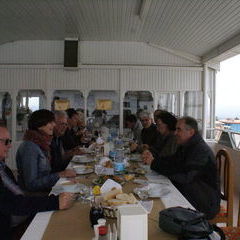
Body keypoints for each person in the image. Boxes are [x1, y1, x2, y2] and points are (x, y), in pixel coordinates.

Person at [0, 123, 75, 239]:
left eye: (9, 141)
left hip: (24, 212)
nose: (10, 146)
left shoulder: (4, 168)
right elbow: (11, 202)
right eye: (6, 142)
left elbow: (16, 199)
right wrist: (54, 202)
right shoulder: (30, 147)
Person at [151, 116, 220, 219]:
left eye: (179, 129)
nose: (175, 133)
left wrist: (154, 164)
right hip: (190, 191)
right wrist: (153, 161)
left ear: (191, 132)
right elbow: (171, 161)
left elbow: (185, 178)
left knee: (158, 211)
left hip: (204, 201)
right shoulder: (186, 146)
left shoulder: (201, 151)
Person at [16, 109, 76, 193]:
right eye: (50, 122)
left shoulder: (42, 143)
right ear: (39, 124)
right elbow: (31, 184)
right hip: (37, 198)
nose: (54, 125)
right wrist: (60, 175)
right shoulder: (29, 147)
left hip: (47, 190)